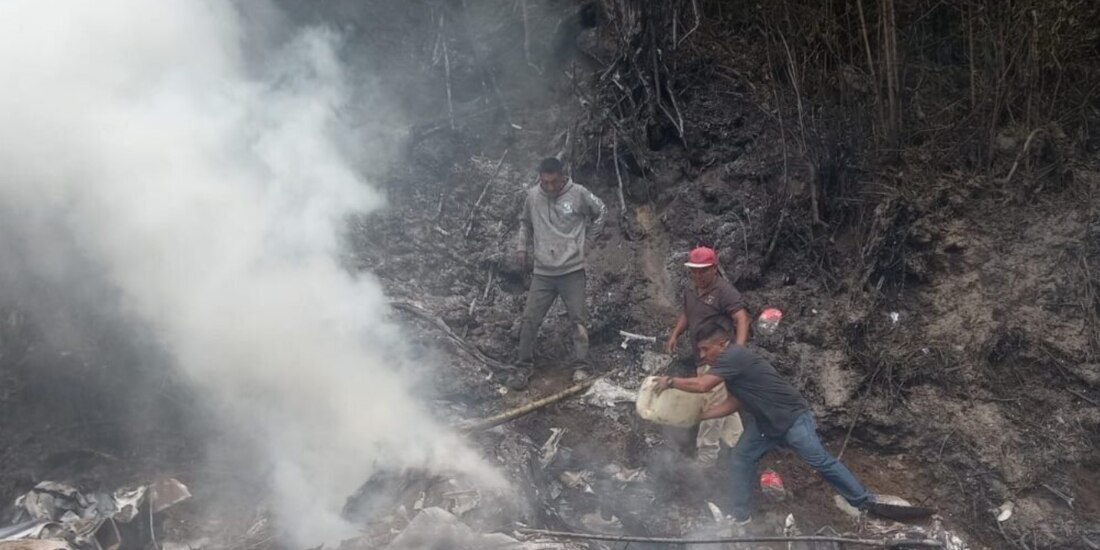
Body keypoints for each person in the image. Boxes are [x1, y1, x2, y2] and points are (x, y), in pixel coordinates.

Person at [655, 323, 875, 523]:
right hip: (764, 423)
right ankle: (740, 516)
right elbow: (734, 402)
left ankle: (865, 503)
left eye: (705, 349)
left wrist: (671, 382)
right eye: (699, 350)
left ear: (722, 345)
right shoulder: (729, 364)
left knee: (820, 462)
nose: (702, 355)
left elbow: (703, 385)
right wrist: (701, 416)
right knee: (741, 458)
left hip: (791, 418)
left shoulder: (733, 356)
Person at [511, 157, 607, 390]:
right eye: (545, 182)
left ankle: (581, 366)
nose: (551, 187)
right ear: (540, 179)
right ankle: (523, 367)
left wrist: (588, 243)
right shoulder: (533, 196)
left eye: (555, 182)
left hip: (572, 270)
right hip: (543, 271)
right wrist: (522, 246)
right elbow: (524, 222)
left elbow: (601, 211)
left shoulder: (579, 193)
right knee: (530, 319)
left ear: (563, 176)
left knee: (578, 320)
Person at [664, 246, 751, 465]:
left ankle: (706, 459)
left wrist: (738, 350)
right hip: (701, 357)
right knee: (724, 407)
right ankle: (742, 450)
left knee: (711, 406)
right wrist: (675, 333)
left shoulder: (724, 291)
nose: (698, 275)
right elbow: (687, 313)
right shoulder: (691, 289)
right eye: (694, 271)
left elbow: (742, 318)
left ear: (714, 268)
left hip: (720, 358)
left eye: (702, 271)